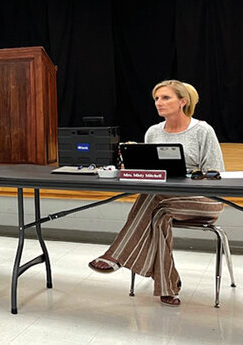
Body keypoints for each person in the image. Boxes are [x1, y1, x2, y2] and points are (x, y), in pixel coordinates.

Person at [88, 80, 225, 307]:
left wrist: (187, 178)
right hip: (163, 201)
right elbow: (149, 169)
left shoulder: (203, 130)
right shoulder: (153, 131)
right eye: (156, 99)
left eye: (165, 98)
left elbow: (214, 174)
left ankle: (116, 254)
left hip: (204, 200)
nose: (158, 103)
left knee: (154, 198)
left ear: (183, 101)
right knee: (158, 214)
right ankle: (168, 287)